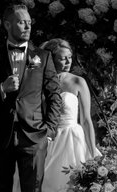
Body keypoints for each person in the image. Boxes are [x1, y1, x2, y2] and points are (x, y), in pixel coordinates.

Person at [0, 3, 62, 192]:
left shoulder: (43, 57)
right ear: (7, 25)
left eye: (29, 22)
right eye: (22, 22)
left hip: (34, 137)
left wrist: (50, 131)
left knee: (33, 189)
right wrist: (1, 88)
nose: (28, 27)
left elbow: (54, 94)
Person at [40, 38, 101, 192]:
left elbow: (86, 120)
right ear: (51, 59)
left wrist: (92, 150)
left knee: (73, 182)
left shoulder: (78, 81)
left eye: (69, 57)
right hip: (46, 137)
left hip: (73, 140)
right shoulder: (40, 81)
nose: (68, 61)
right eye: (62, 58)